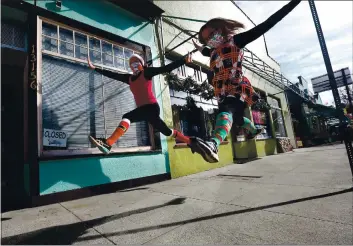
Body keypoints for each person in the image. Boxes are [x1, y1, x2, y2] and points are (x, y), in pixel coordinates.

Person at [189, 0, 301, 163]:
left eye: (213, 35)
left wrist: (292, 4)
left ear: (221, 29)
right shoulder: (213, 51)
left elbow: (267, 24)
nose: (211, 40)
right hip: (221, 92)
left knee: (226, 113)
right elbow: (206, 52)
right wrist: (198, 46)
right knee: (238, 119)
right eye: (208, 40)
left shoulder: (237, 41)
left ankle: (213, 144)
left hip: (236, 88)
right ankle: (254, 130)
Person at [88, 53, 193, 154]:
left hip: (151, 107)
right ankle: (190, 141)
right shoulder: (129, 78)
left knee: (127, 117)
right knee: (166, 131)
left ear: (142, 64)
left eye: (136, 62)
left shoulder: (147, 72)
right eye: (131, 63)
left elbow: (165, 69)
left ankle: (108, 143)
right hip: (145, 111)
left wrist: (183, 60)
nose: (134, 64)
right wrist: (95, 69)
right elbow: (113, 75)